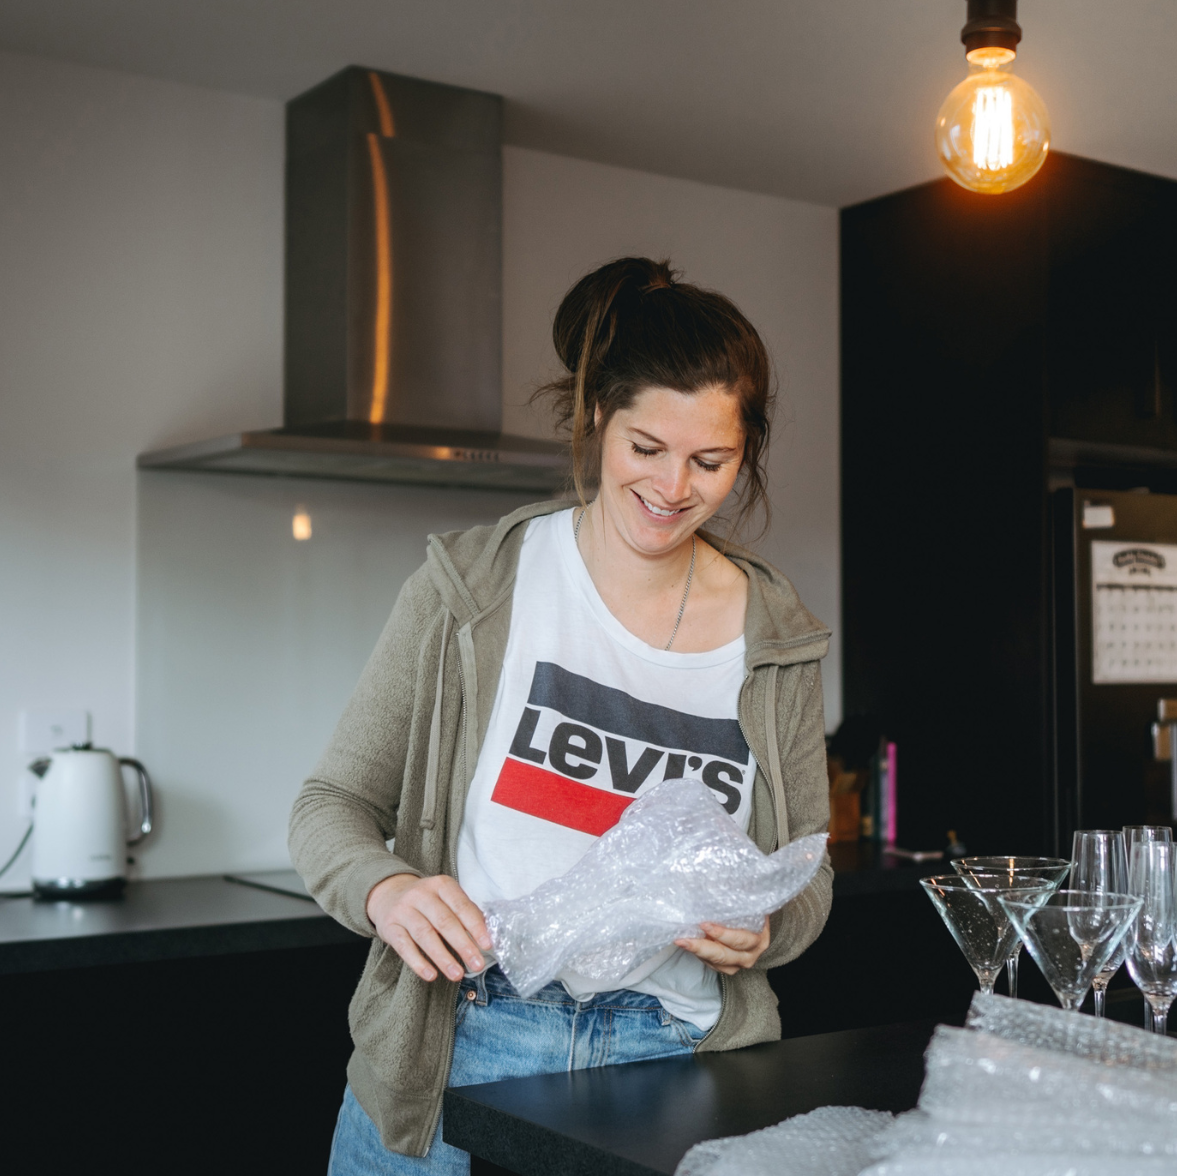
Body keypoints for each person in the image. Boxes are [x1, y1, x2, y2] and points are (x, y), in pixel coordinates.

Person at [290, 256, 834, 1172]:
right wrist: (389, 892)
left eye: (711, 461)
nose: (672, 489)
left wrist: (767, 929)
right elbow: (330, 803)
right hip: (462, 1045)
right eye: (645, 449)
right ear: (596, 420)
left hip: (675, 1063)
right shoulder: (474, 589)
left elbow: (805, 875)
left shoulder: (776, 638)